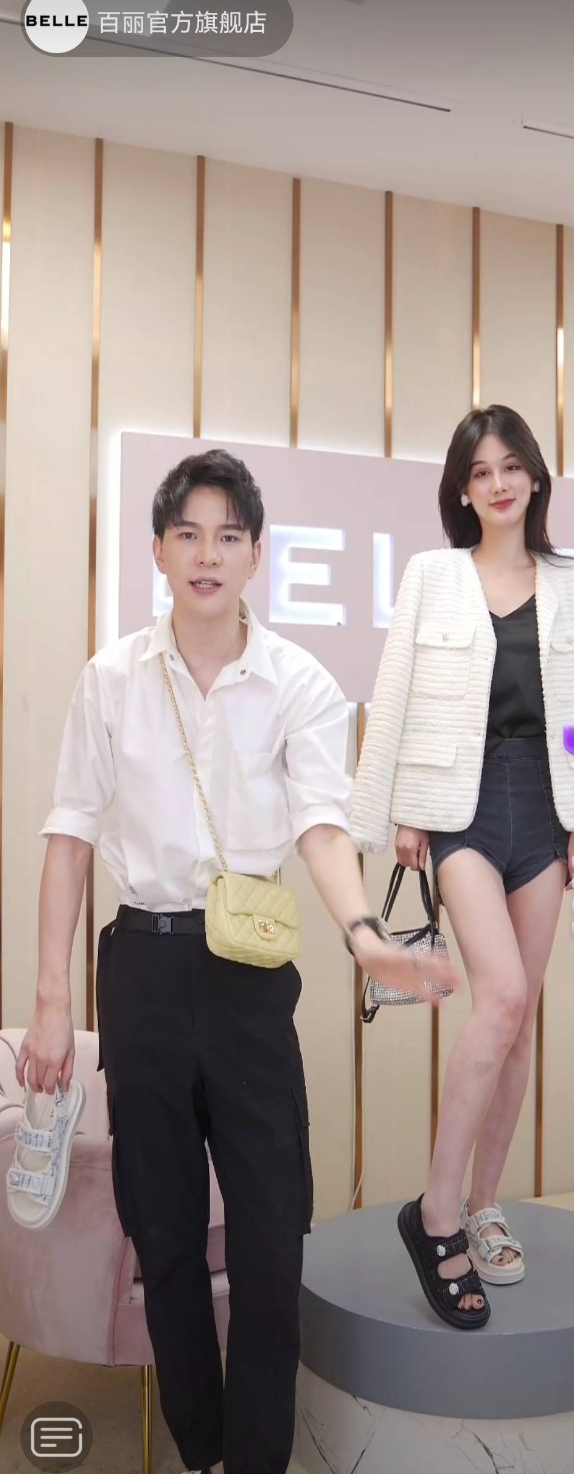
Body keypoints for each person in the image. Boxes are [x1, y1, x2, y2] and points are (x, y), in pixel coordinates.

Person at [15, 449, 456, 1474]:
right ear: (159, 551)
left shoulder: (299, 682)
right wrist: (50, 1001)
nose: (207, 554)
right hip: (142, 973)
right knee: (165, 1237)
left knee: (269, 1236)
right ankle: (202, 1449)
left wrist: (364, 934)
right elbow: (69, 836)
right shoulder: (111, 678)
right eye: (188, 534)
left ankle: (256, 1456)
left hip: (248, 981)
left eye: (227, 536)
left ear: (257, 554)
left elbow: (319, 825)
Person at [351, 405, 574, 1329]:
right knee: (499, 996)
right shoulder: (433, 576)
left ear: (535, 477)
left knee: (520, 1017)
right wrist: (401, 810)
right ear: (462, 490)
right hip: (461, 806)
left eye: (511, 467)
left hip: (547, 808)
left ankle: (486, 1204)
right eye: (480, 471)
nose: (498, 483)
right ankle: (435, 1214)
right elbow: (395, 692)